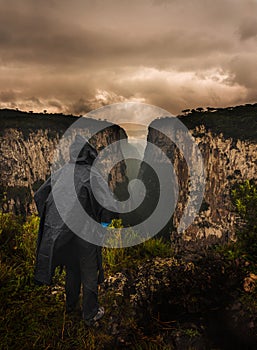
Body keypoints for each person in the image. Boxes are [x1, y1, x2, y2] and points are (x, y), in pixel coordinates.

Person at [34, 135, 119, 326]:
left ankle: (70, 306)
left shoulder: (61, 173)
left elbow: (40, 195)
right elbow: (107, 205)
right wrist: (103, 226)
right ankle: (90, 315)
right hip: (87, 233)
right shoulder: (93, 174)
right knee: (89, 271)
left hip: (65, 233)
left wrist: (50, 219)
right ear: (90, 154)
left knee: (72, 269)